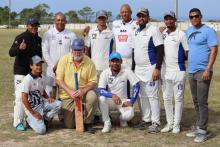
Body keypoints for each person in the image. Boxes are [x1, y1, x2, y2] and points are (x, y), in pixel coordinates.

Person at [185, 8, 218, 143]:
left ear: (201, 16)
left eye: (196, 16)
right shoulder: (188, 31)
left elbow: (214, 50)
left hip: (202, 71)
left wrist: (207, 69)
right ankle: (199, 126)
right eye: (191, 17)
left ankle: (203, 131)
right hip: (191, 71)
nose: (194, 19)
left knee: (202, 101)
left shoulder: (209, 31)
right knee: (196, 101)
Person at [56, 38, 98, 134]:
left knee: (92, 96)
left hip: (83, 93)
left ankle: (88, 122)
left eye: (80, 50)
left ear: (84, 50)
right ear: (72, 50)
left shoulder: (90, 62)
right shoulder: (64, 60)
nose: (77, 52)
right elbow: (58, 80)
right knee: (70, 125)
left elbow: (93, 82)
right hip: (68, 95)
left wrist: (83, 90)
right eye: (75, 50)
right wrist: (70, 91)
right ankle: (66, 113)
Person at [132, 8, 164, 133]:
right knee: (142, 95)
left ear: (148, 18)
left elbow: (160, 50)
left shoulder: (153, 30)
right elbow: (135, 51)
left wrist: (157, 68)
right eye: (139, 16)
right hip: (138, 69)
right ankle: (146, 120)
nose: (141, 18)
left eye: (143, 16)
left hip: (150, 67)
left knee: (152, 95)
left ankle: (156, 122)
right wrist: (133, 69)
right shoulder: (135, 31)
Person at [9, 17, 42, 131]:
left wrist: (39, 73)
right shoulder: (21, 38)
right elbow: (11, 53)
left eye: (36, 25)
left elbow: (39, 58)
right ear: (27, 26)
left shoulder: (39, 40)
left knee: (31, 97)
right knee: (19, 96)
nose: (34, 27)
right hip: (21, 72)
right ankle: (18, 122)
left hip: (33, 73)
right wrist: (19, 48)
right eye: (32, 25)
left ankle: (29, 119)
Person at [160, 11, 188, 134]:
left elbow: (187, 52)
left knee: (178, 98)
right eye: (166, 19)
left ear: (175, 19)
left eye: (171, 19)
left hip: (178, 71)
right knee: (166, 98)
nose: (169, 21)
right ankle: (169, 123)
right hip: (165, 72)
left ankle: (176, 124)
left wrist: (180, 61)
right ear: (164, 21)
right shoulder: (163, 34)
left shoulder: (181, 34)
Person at [98, 52, 140, 133]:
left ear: (121, 61)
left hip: (123, 101)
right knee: (101, 99)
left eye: (117, 61)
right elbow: (100, 90)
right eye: (113, 61)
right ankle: (107, 122)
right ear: (109, 62)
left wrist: (131, 101)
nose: (115, 63)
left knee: (130, 114)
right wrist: (112, 95)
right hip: (110, 100)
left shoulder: (127, 70)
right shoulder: (105, 72)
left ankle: (121, 119)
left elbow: (136, 85)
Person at [21, 55, 61, 135]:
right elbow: (24, 98)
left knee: (58, 104)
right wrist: (33, 113)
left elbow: (42, 92)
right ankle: (29, 120)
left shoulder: (42, 77)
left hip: (41, 104)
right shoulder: (27, 79)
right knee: (42, 130)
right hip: (32, 109)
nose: (39, 67)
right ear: (31, 66)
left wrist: (48, 98)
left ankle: (45, 118)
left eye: (40, 64)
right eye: (37, 65)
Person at [42, 12, 76, 99]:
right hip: (51, 69)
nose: (60, 22)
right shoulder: (48, 34)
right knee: (50, 93)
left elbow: (73, 52)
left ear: (66, 21)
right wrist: (53, 65)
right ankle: (50, 112)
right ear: (54, 21)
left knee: (64, 93)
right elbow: (45, 52)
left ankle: (63, 111)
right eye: (58, 20)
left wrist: (63, 65)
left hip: (66, 68)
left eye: (62, 20)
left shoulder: (71, 35)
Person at [85, 10, 114, 77]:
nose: (102, 20)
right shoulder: (91, 32)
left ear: (106, 19)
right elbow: (87, 48)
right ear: (96, 19)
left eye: (103, 18)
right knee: (94, 87)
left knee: (105, 87)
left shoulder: (111, 32)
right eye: (99, 18)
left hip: (107, 67)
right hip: (93, 67)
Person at [111, 4, 138, 69]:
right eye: (122, 12)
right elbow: (104, 27)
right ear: (120, 13)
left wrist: (161, 29)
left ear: (131, 12)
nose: (124, 14)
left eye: (126, 12)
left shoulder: (136, 24)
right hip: (119, 60)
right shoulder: (115, 24)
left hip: (132, 60)